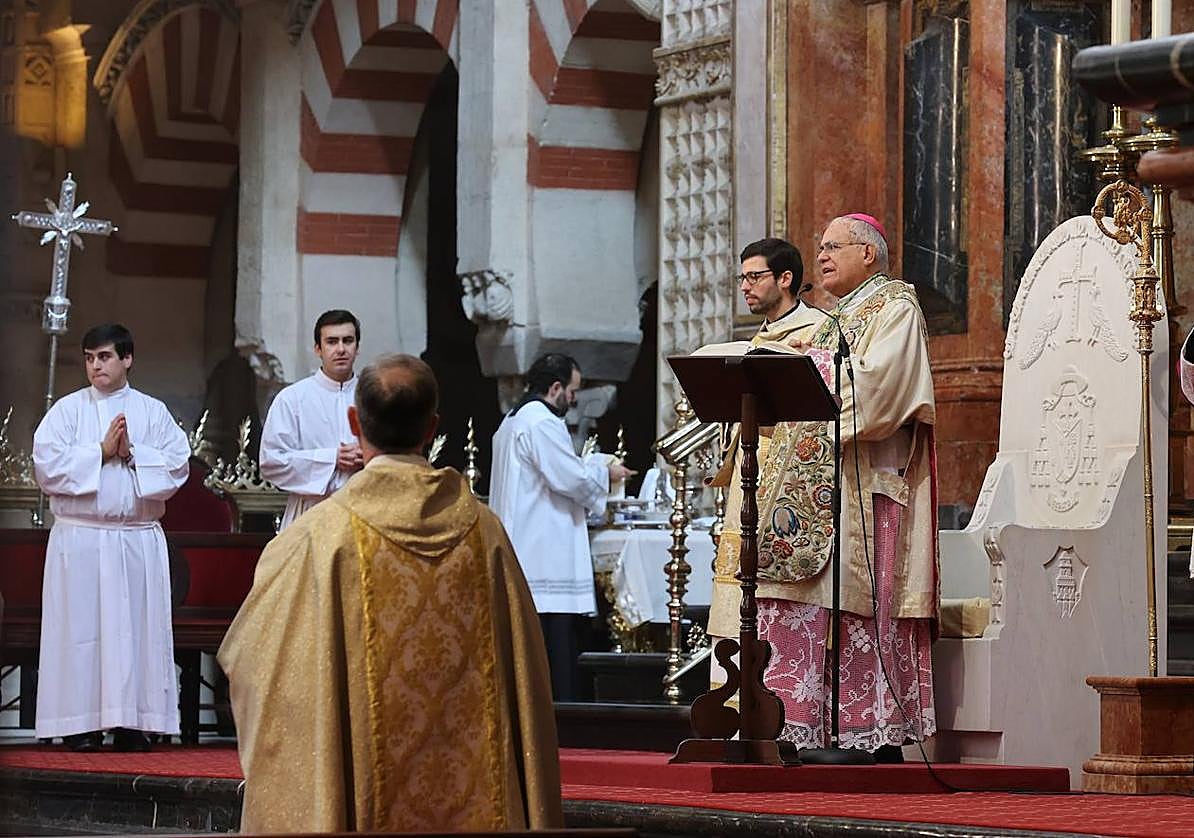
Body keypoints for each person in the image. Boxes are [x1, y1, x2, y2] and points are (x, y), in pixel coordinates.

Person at [219, 354, 561, 832]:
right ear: (432, 428)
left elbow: (252, 659)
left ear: (354, 420)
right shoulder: (485, 533)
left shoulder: (321, 538)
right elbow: (525, 672)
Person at [753, 213, 938, 757]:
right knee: (818, 609)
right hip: (824, 485)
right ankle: (812, 723)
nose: (823, 255)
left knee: (863, 611)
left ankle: (866, 732)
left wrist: (799, 379)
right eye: (821, 245)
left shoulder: (895, 307)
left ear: (870, 255)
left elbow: (881, 388)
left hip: (868, 487)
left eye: (835, 245)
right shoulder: (833, 319)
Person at [32, 323, 190, 752]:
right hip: (83, 540)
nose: (96, 365)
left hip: (135, 539)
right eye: (89, 357)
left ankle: (133, 723)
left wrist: (134, 455)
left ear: (127, 358)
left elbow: (178, 465)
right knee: (82, 633)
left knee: (135, 633)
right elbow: (47, 467)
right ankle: (80, 724)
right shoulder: (66, 411)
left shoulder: (153, 412)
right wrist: (100, 453)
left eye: (104, 356)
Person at [701, 237, 828, 694]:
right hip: (749, 474)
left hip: (790, 481)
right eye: (743, 278)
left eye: (754, 277)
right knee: (737, 580)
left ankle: (774, 692)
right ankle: (730, 696)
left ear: (786, 279)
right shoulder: (759, 336)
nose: (745, 287)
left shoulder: (818, 329)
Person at [489, 353, 634, 701]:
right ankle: (563, 719)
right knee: (555, 649)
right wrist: (606, 472)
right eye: (572, 391)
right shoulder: (541, 421)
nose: (573, 399)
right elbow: (568, 478)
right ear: (555, 388)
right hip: (543, 555)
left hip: (521, 546)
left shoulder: (511, 420)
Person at [259, 309, 363, 530]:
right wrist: (332, 458)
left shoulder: (374, 396)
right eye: (332, 342)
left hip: (364, 512)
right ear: (318, 349)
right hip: (310, 514)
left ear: (357, 347)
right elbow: (271, 461)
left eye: (348, 341)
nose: (341, 349)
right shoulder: (292, 398)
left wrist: (370, 456)